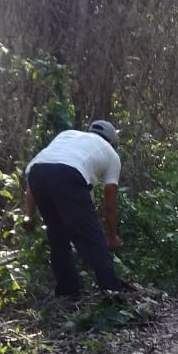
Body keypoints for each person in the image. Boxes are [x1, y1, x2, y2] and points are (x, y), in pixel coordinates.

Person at [23, 119, 128, 298]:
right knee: (92, 238)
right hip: (69, 174)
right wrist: (111, 237)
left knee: (57, 237)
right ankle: (113, 296)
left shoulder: (67, 135)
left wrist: (29, 216)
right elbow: (109, 203)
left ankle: (67, 293)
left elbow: (32, 186)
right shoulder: (111, 154)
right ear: (112, 141)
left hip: (37, 173)